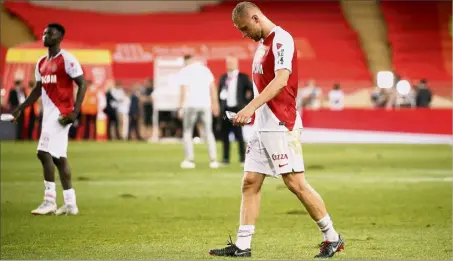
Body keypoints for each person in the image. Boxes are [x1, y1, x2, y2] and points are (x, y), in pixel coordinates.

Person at [208, 2, 344, 258]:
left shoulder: (282, 39)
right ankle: (243, 246)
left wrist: (248, 108)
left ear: (257, 18)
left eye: (245, 28)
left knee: (295, 183)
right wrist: (253, 114)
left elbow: (281, 80)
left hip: (282, 124)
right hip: (263, 125)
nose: (244, 34)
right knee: (250, 182)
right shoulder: (262, 46)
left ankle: (332, 237)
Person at [12, 23, 86, 216]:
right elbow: (38, 89)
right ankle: (70, 203)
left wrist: (75, 112)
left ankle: (49, 200)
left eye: (50, 33)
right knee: (58, 158)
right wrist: (20, 108)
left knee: (42, 152)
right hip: (49, 115)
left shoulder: (67, 59)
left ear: (60, 38)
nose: (45, 35)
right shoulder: (41, 63)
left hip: (62, 114)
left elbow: (82, 83)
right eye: (44, 32)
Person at [177, 55, 220, 169]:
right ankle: (213, 160)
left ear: (186, 61)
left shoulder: (185, 71)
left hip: (190, 104)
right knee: (209, 132)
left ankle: (189, 160)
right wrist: (215, 104)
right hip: (205, 104)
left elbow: (183, 90)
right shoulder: (205, 69)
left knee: (187, 131)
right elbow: (213, 87)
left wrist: (180, 107)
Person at [218, 55, 253, 165]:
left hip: (238, 110)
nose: (229, 65)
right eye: (228, 63)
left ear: (236, 63)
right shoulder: (224, 77)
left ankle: (242, 158)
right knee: (225, 135)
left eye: (231, 62)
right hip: (225, 110)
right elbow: (220, 92)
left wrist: (247, 104)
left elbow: (252, 91)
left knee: (239, 135)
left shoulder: (242, 77)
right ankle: (225, 159)